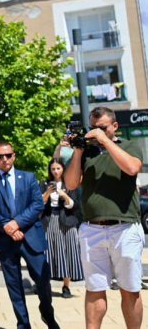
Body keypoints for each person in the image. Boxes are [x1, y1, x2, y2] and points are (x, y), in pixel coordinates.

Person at [64, 107, 144, 329]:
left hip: (124, 228)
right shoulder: (87, 153)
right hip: (92, 229)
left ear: (115, 126)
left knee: (130, 289)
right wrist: (79, 151)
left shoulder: (129, 145)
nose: (96, 132)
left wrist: (105, 142)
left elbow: (132, 167)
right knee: (94, 288)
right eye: (93, 128)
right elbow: (70, 184)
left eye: (102, 128)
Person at [0, 141, 60, 329]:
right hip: (4, 240)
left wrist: (16, 224)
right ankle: (23, 324)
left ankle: (47, 315)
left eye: (8, 155)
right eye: (0, 156)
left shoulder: (29, 177)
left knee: (43, 280)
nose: (4, 159)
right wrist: (7, 226)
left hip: (31, 237)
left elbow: (37, 205)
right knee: (14, 285)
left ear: (14, 156)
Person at [41, 157, 83, 299]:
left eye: (58, 168)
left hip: (67, 221)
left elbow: (74, 205)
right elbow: (39, 204)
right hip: (49, 219)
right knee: (49, 251)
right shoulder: (45, 184)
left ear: (63, 169)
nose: (56, 171)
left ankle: (66, 286)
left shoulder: (70, 184)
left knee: (68, 250)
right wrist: (47, 192)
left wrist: (64, 195)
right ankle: (45, 285)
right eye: (53, 169)